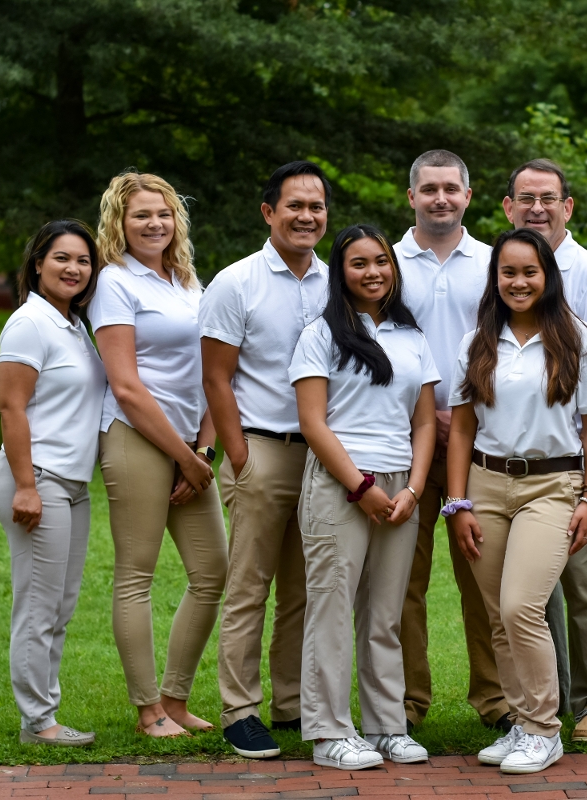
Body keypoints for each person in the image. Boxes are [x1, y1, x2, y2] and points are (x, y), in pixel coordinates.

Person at [447, 227, 587, 774]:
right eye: (508, 273)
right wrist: (458, 502)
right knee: (499, 614)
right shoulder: (478, 341)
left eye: (529, 272)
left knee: (522, 606)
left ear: (548, 277)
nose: (519, 282)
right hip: (486, 485)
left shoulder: (577, 339)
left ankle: (543, 729)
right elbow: (463, 428)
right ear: (495, 280)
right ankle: (522, 722)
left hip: (552, 486)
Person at [292, 225, 440, 770]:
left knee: (385, 613)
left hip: (402, 485)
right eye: (359, 263)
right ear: (341, 271)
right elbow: (312, 422)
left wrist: (416, 489)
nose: (373, 271)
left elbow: (424, 422)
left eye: (381, 260)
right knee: (330, 607)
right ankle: (330, 732)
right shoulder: (321, 334)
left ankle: (385, 727)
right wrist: (361, 487)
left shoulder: (410, 335)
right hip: (341, 484)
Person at [199, 160, 331, 759]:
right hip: (262, 451)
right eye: (295, 206)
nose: (307, 216)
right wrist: (241, 458)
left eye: (317, 206)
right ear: (268, 212)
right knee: (250, 585)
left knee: (304, 589)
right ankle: (239, 710)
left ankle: (292, 703)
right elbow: (217, 379)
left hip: (323, 457)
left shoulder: (337, 281)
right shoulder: (236, 283)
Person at [91, 171, 229, 738]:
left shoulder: (188, 283)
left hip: (190, 444)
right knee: (136, 575)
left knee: (212, 573)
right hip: (134, 438)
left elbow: (213, 372)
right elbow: (125, 385)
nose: (154, 224)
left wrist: (204, 447)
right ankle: (147, 709)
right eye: (141, 215)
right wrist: (185, 458)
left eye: (164, 214)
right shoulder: (114, 283)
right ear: (119, 224)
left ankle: (174, 699)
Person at [502, 159, 587, 743]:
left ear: (567, 207)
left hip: (574, 467)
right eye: (525, 197)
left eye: (548, 198)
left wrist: (584, 474)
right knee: (531, 595)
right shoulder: (501, 264)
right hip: (512, 468)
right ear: (507, 207)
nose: (536, 207)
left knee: (585, 585)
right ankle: (544, 705)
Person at [394, 150, 507, 732]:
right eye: (429, 189)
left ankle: (495, 699)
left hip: (477, 440)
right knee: (400, 583)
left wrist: (457, 415)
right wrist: (425, 415)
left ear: (469, 195)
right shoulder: (384, 265)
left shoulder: (494, 265)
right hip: (401, 445)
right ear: (410, 196)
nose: (441, 198)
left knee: (483, 578)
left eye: (451, 189)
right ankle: (407, 702)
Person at [0, 219, 105, 747]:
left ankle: (41, 714)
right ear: (38, 263)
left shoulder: (72, 323)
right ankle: (39, 722)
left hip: (71, 484)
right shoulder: (29, 323)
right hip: (38, 480)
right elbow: (11, 406)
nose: (74, 268)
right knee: (38, 606)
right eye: (62, 258)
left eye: (82, 260)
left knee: (59, 606)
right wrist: (25, 485)